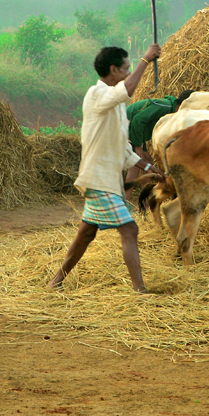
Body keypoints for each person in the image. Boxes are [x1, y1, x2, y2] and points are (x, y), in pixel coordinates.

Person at [48, 44, 162, 294]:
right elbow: (128, 89)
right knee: (130, 229)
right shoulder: (97, 95)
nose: (129, 72)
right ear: (113, 70)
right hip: (99, 179)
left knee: (86, 234)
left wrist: (148, 166)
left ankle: (55, 281)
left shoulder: (115, 104)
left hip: (102, 178)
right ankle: (139, 290)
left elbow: (122, 148)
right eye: (126, 68)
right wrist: (146, 59)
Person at [124, 89, 195, 199]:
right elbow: (138, 120)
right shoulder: (165, 106)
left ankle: (146, 202)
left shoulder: (170, 109)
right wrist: (138, 146)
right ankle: (126, 202)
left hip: (134, 130)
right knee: (135, 165)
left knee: (147, 162)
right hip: (126, 126)